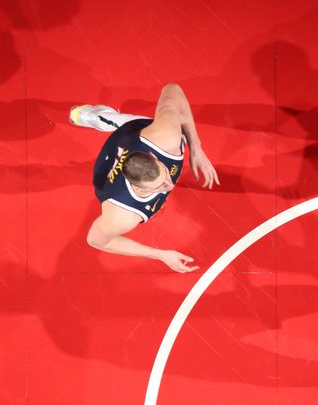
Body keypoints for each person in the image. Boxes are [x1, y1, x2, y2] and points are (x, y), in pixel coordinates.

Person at [70, 83, 219, 272]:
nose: (170, 185)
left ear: (155, 157)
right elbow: (96, 240)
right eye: (159, 187)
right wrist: (160, 254)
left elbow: (173, 90)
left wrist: (196, 147)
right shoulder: (122, 216)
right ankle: (95, 117)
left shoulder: (165, 136)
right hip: (108, 164)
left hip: (134, 132)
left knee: (128, 123)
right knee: (116, 124)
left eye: (165, 173)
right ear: (139, 189)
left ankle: (100, 117)